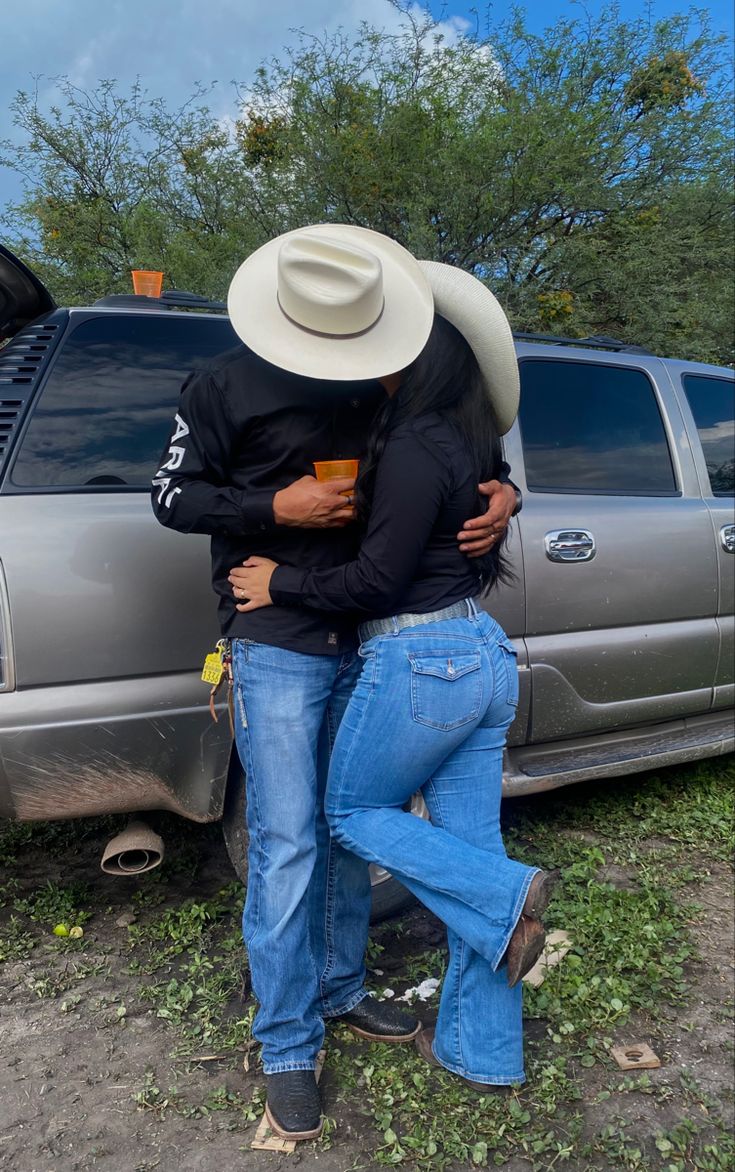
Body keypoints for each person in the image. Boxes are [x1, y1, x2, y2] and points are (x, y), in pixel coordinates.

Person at [151, 226, 519, 1139]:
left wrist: (505, 491)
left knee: (347, 828)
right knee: (285, 840)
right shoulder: (221, 384)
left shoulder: (385, 374)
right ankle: (286, 1042)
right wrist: (269, 507)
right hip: (275, 634)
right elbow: (169, 498)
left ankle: (343, 987)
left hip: (371, 634)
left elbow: (453, 451)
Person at [229, 258, 556, 1094]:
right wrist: (507, 493)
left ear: (423, 354)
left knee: (346, 812)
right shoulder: (469, 435)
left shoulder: (413, 442)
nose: (375, 355)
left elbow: (376, 582)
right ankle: (481, 1053)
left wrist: (280, 583)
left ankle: (506, 893)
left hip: (422, 659)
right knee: (465, 843)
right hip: (476, 654)